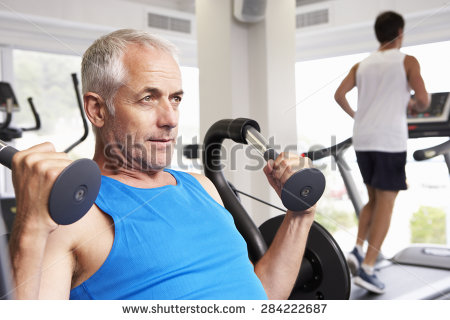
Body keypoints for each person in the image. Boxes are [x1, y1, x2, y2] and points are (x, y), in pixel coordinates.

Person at [9, 29, 316, 299]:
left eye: (176, 99)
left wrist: (300, 214)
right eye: (148, 98)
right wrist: (30, 228)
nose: (170, 119)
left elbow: (261, 296)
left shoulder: (203, 187)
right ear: (97, 110)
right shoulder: (72, 215)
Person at [334, 11, 430, 294]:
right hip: (389, 140)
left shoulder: (361, 65)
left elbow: (338, 95)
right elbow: (423, 100)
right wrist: (412, 106)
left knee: (373, 199)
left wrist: (357, 115)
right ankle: (368, 268)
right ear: (399, 32)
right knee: (386, 203)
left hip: (363, 138)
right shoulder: (407, 61)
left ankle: (358, 250)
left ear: (379, 34)